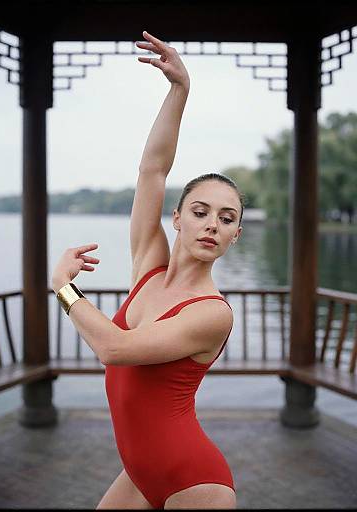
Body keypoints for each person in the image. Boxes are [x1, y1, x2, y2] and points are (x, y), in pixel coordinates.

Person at [52, 30, 243, 510]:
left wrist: (63, 288)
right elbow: (152, 171)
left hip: (195, 484)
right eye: (200, 212)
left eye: (227, 218)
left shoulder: (213, 313)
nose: (211, 225)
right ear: (176, 219)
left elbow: (114, 349)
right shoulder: (148, 268)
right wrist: (179, 91)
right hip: (139, 474)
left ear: (235, 235)